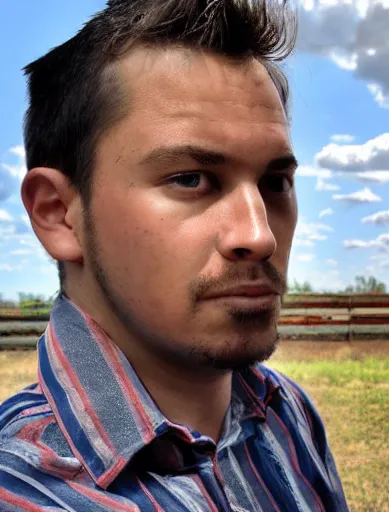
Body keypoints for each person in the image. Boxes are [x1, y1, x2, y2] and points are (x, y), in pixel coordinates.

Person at [0, 0, 350, 510]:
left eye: (275, 182)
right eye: (190, 178)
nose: (259, 235)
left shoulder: (288, 413)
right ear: (59, 215)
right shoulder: (23, 491)